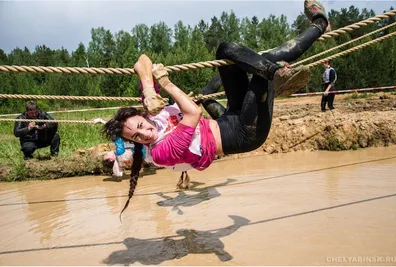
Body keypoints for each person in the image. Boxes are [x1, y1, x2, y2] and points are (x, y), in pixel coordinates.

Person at [103, 0, 331, 215]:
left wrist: (149, 91)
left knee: (227, 50)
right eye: (136, 137)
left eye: (140, 126)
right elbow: (194, 112)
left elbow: (142, 61)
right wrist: (165, 84)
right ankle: (284, 65)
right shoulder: (159, 153)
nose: (144, 134)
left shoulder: (155, 113)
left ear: (142, 117)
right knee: (261, 75)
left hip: (228, 117)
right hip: (244, 135)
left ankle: (287, 60)